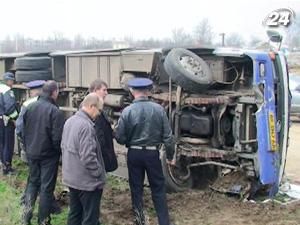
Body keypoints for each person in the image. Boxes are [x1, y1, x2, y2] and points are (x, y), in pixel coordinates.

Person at [115, 78, 175, 225]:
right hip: (152, 154)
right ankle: (163, 221)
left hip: (134, 154)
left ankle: (140, 220)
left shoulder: (127, 111)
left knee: (136, 188)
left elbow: (120, 138)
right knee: (158, 188)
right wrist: (170, 156)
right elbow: (168, 137)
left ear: (131, 91)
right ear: (148, 91)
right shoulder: (159, 109)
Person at [16, 80, 61, 214]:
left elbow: (21, 130)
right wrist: (58, 153)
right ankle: (44, 221)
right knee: (46, 189)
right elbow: (57, 138)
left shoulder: (30, 107)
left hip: (32, 153)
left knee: (32, 184)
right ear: (55, 92)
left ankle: (26, 217)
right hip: (48, 157)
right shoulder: (55, 111)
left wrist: (27, 147)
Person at [61, 93, 106, 225]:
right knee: (90, 218)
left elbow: (63, 147)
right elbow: (88, 157)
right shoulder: (86, 126)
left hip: (72, 179)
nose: (99, 114)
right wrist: (98, 173)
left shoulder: (70, 121)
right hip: (87, 183)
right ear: (92, 106)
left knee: (75, 214)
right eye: (99, 110)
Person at [89, 79, 118, 172]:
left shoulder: (97, 107)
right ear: (94, 91)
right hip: (98, 157)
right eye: (104, 90)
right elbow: (98, 135)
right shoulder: (92, 109)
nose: (106, 93)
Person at [0, 72, 18, 175]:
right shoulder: (7, 91)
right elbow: (10, 107)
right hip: (7, 121)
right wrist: (15, 118)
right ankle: (7, 167)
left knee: (1, 143)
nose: (13, 82)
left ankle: (3, 163)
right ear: (8, 81)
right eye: (12, 80)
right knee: (8, 143)